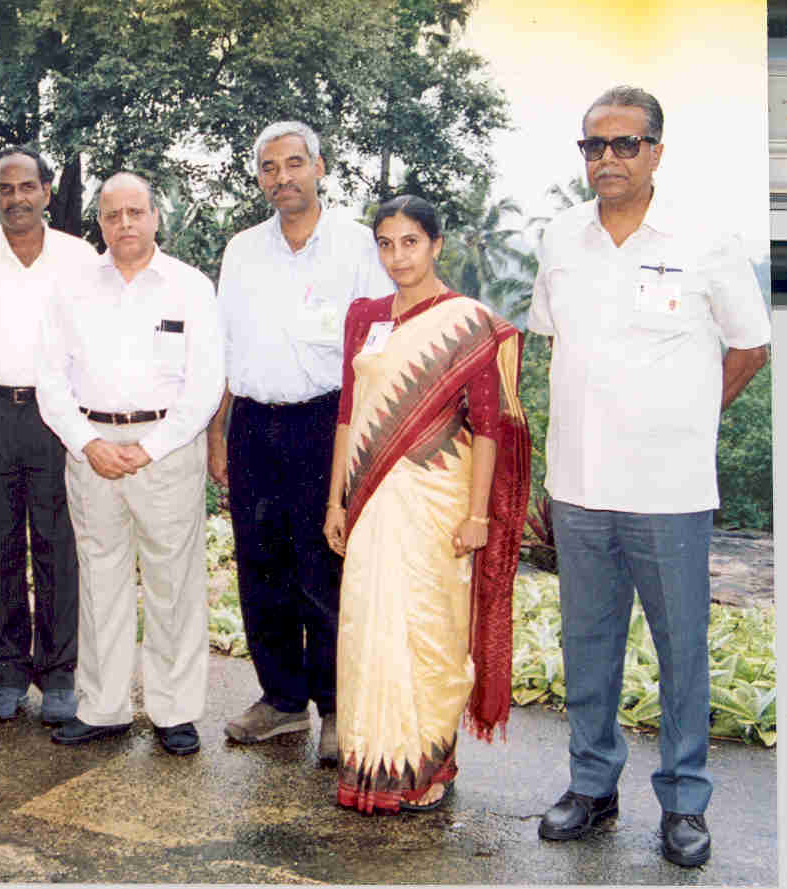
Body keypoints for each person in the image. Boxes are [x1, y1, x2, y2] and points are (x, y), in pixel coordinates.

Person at [529, 86, 769, 867]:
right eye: (593, 146)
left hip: (669, 492)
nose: (606, 159)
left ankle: (684, 803)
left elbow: (749, 347)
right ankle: (592, 789)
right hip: (580, 488)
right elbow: (547, 342)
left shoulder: (704, 240)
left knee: (682, 653)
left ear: (657, 152)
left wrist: (693, 417)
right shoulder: (561, 239)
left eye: (624, 144)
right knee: (588, 647)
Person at [322, 195, 529, 814]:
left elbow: (489, 427)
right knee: (366, 627)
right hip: (369, 498)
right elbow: (346, 416)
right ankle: (371, 768)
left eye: (410, 242)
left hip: (436, 501)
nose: (397, 256)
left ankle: (426, 763)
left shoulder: (470, 321)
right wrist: (335, 501)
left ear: (437, 245)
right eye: (385, 243)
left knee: (431, 631)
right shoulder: (364, 317)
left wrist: (476, 516)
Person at [208, 121, 393, 761]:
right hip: (255, 425)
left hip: (328, 425)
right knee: (262, 567)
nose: (282, 177)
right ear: (258, 177)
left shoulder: (356, 247)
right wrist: (217, 431)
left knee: (326, 569)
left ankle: (339, 708)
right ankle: (281, 701)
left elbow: (381, 347)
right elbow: (222, 349)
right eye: (269, 167)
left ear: (319, 167)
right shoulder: (242, 251)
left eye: (294, 164)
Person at [36, 172, 225, 756]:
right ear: (100, 222)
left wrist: (152, 446)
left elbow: (207, 382)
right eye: (113, 214)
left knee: (174, 583)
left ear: (155, 218)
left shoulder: (190, 288)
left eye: (135, 212)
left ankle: (174, 711)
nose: (125, 224)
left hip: (166, 449)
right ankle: (103, 707)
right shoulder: (71, 288)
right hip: (90, 447)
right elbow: (50, 379)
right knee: (99, 580)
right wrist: (87, 443)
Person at [0, 146, 94, 724]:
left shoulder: (79, 260)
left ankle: (58, 674)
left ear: (47, 192)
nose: (16, 198)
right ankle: (5, 670)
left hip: (56, 417)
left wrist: (86, 428)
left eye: (26, 187)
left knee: (59, 542)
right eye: (5, 189)